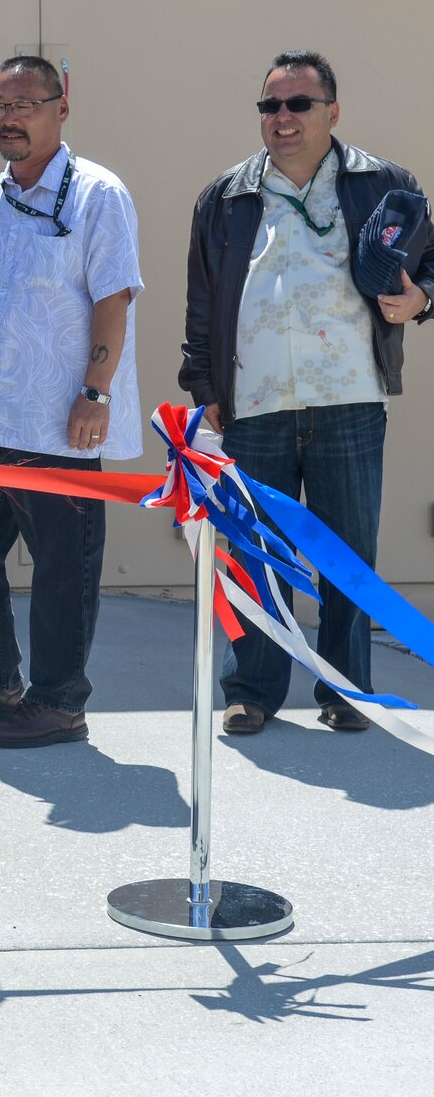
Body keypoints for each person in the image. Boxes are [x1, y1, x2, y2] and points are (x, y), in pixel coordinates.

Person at [182, 50, 433, 736]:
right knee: (254, 554)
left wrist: (420, 299)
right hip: (254, 404)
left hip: (349, 398)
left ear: (333, 111)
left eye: (298, 104)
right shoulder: (227, 195)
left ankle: (346, 691)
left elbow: (428, 266)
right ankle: (253, 692)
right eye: (271, 106)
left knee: (346, 556)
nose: (283, 118)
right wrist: (204, 389)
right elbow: (201, 301)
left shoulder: (383, 184)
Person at [0, 57, 142, 748]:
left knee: (62, 568)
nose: (8, 117)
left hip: (59, 421)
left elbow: (114, 297)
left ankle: (59, 701)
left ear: (61, 109)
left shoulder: (97, 194)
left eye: (25, 103)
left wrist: (94, 392)